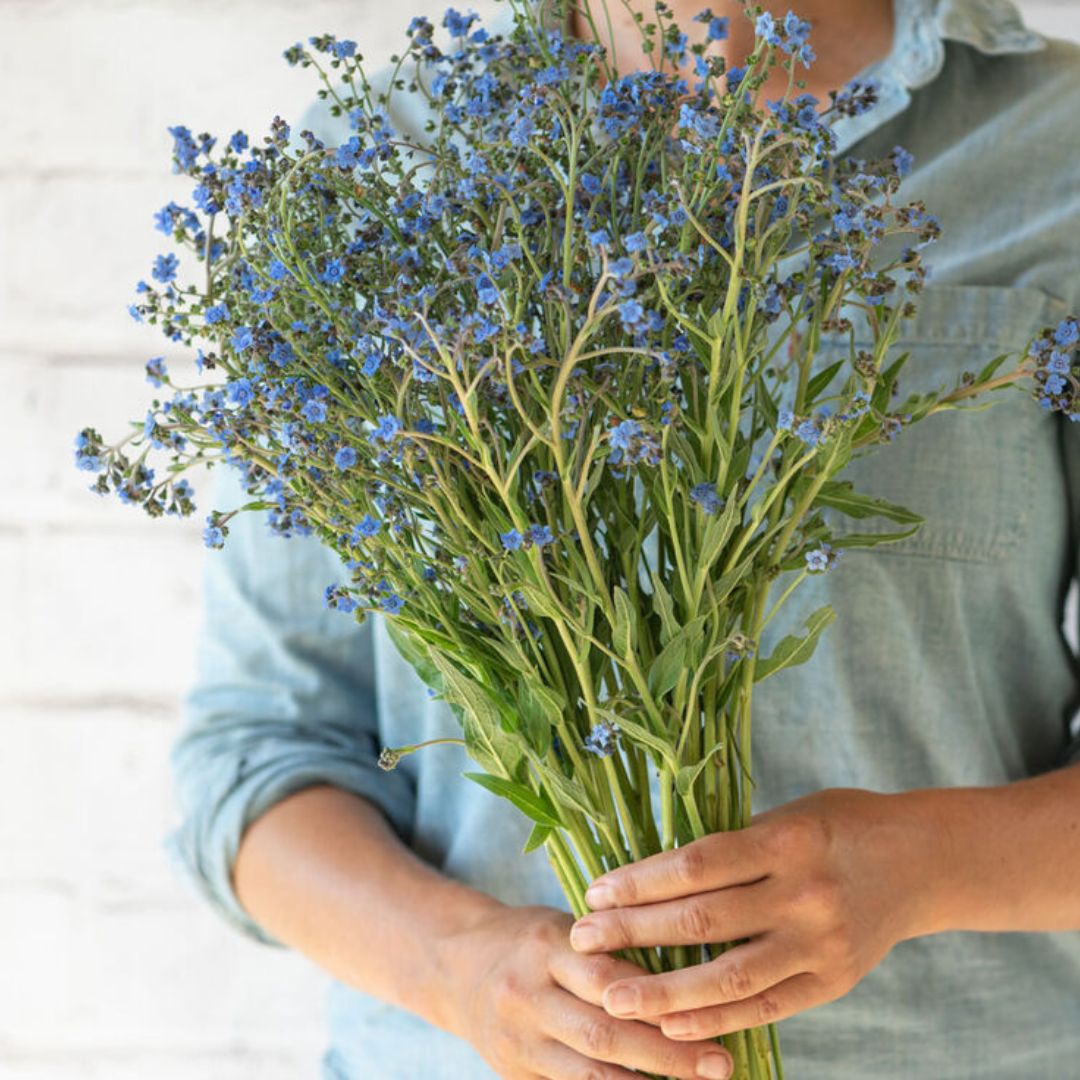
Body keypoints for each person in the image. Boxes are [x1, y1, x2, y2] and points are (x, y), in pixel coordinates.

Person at [166, 1, 1080, 1077]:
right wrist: (460, 970)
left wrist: (922, 865)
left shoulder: (1053, 142)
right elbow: (259, 755)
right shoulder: (378, 167)